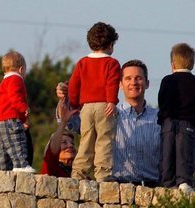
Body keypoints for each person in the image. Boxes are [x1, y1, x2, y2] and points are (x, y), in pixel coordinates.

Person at [56, 59, 161, 187]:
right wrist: (64, 100)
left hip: (154, 189)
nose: (133, 82)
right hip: (117, 190)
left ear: (147, 83)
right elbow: (72, 124)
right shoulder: (107, 114)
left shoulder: (159, 118)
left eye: (138, 78)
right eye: (128, 78)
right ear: (120, 85)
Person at [68, 22, 121, 182]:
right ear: (110, 44)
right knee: (104, 139)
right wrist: (111, 101)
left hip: (86, 108)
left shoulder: (82, 62)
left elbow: (73, 85)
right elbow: (111, 83)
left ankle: (79, 173)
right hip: (105, 106)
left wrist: (75, 105)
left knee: (86, 140)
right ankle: (103, 174)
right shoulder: (112, 63)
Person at [158, 43, 195, 193]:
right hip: (188, 123)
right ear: (192, 64)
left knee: (167, 152)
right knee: (184, 152)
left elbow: (162, 100)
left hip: (168, 122)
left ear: (173, 64)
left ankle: (167, 181)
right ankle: (184, 181)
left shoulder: (167, 80)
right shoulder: (193, 81)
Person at [0, 51, 36, 173]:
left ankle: (2, 170)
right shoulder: (16, 79)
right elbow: (15, 96)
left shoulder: (3, 83)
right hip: (9, 119)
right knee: (16, 142)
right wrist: (24, 109)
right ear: (21, 69)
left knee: (1, 148)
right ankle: (20, 165)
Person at [41, 100, 78, 177]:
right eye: (64, 142)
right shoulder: (52, 168)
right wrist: (63, 123)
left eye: (72, 143)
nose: (70, 145)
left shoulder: (80, 174)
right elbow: (52, 150)